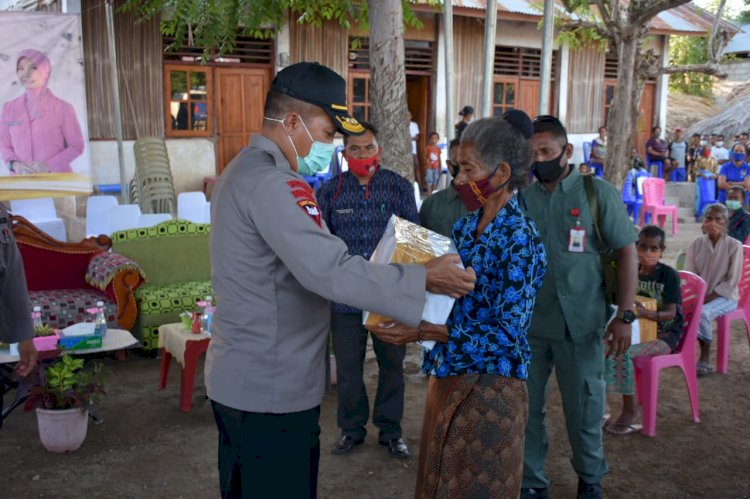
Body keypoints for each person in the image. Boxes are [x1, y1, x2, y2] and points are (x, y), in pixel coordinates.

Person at [205, 62, 476, 499]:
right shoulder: (274, 184)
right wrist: (421, 278)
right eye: (329, 132)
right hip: (270, 389)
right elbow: (328, 270)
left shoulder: (245, 170)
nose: (332, 145)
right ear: (291, 122)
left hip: (249, 378)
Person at [367, 112, 547, 498]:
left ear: (501, 173)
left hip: (491, 389)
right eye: (456, 168)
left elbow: (507, 332)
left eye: (468, 169)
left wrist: (425, 331)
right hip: (446, 375)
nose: (459, 180)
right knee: (437, 485)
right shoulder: (466, 227)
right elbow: (448, 301)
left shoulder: (521, 239)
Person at [521, 115, 638, 499]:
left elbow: (627, 252)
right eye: (533, 153)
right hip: (531, 326)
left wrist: (624, 315)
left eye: (547, 152)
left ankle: (590, 479)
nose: (539, 160)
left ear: (567, 151)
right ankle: (532, 481)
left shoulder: (595, 192)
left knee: (585, 407)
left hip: (583, 324)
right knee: (526, 409)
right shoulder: (523, 197)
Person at [317, 121, 419, 460]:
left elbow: (413, 240)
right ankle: (351, 430)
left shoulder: (399, 187)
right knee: (348, 369)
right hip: (345, 298)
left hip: (388, 297)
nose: (362, 154)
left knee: (393, 366)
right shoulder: (329, 192)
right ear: (344, 153)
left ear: (380, 150)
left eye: (368, 148)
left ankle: (391, 431)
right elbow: (319, 242)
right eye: (354, 149)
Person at [604, 225, 683, 436]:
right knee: (601, 346)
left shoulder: (668, 275)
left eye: (653, 248)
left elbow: (671, 313)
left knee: (622, 351)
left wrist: (647, 313)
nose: (647, 252)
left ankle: (630, 410)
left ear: (662, 250)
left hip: (664, 335)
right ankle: (601, 409)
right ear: (635, 246)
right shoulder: (630, 271)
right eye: (643, 246)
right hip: (637, 330)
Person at [0, 49, 84, 175]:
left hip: (58, 181)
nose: (26, 74)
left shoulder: (63, 108)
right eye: (21, 68)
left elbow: (76, 146)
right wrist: (14, 165)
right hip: (20, 182)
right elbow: (3, 144)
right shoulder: (9, 108)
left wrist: (48, 165)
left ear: (45, 70)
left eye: (33, 68)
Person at [686, 203, 742, 376]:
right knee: (679, 311)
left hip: (726, 296)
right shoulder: (696, 243)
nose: (713, 222)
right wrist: (695, 297)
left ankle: (704, 357)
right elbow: (690, 275)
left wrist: (705, 298)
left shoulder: (734, 246)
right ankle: (683, 353)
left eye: (718, 219)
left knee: (701, 313)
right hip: (701, 295)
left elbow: (731, 282)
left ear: (725, 222)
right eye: (709, 218)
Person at [419, 139, 469, 238]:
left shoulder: (492, 204)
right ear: (450, 166)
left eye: (468, 163)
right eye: (458, 162)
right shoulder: (431, 204)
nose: (463, 169)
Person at [409, 113, 422, 188]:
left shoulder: (414, 125)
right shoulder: (401, 126)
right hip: (404, 150)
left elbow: (417, 137)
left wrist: (409, 138)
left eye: (408, 115)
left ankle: (420, 185)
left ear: (411, 116)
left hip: (413, 149)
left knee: (416, 165)